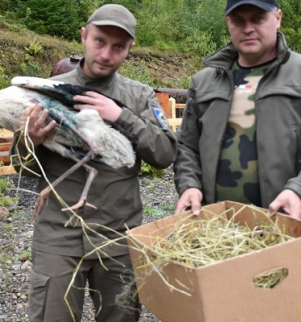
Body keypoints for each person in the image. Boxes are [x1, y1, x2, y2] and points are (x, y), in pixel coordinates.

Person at [11, 4, 177, 321]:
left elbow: (165, 155)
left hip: (118, 237)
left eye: (118, 47)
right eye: (99, 41)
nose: (106, 54)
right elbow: (24, 169)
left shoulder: (140, 97)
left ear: (129, 50)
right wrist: (28, 140)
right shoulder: (49, 92)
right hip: (59, 237)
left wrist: (122, 117)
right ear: (84, 37)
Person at [173, 0, 301, 225]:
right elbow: (187, 146)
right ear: (228, 22)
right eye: (239, 20)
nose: (248, 28)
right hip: (216, 228)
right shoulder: (204, 82)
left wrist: (300, 190)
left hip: (284, 224)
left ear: (277, 18)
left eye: (258, 18)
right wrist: (189, 184)